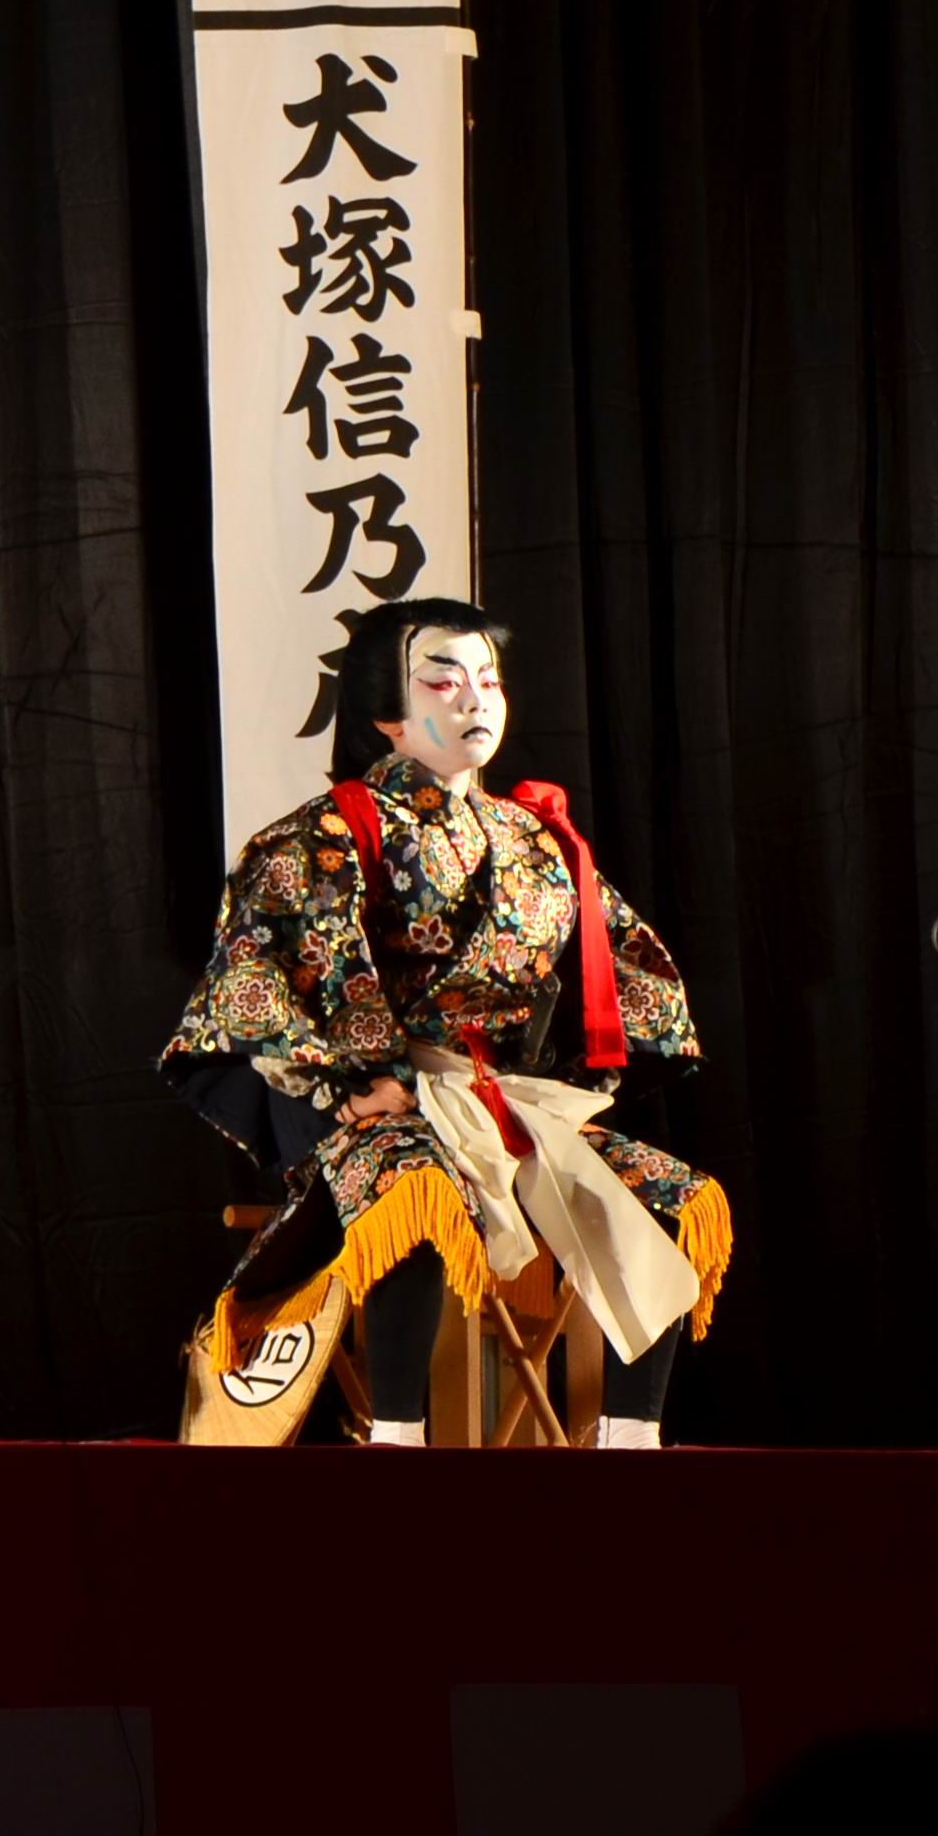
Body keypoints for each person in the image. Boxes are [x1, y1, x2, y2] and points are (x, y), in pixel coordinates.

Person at [165, 594, 725, 1445]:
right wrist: (349, 1085)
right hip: (383, 1109)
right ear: (386, 716)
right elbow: (264, 971)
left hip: (502, 1104)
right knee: (417, 1191)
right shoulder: (323, 833)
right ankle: (398, 1435)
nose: (475, 700)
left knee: (672, 1196)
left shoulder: (535, 839)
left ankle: (629, 1438)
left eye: (488, 681)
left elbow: (618, 964)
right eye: (444, 681)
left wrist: (573, 1075)